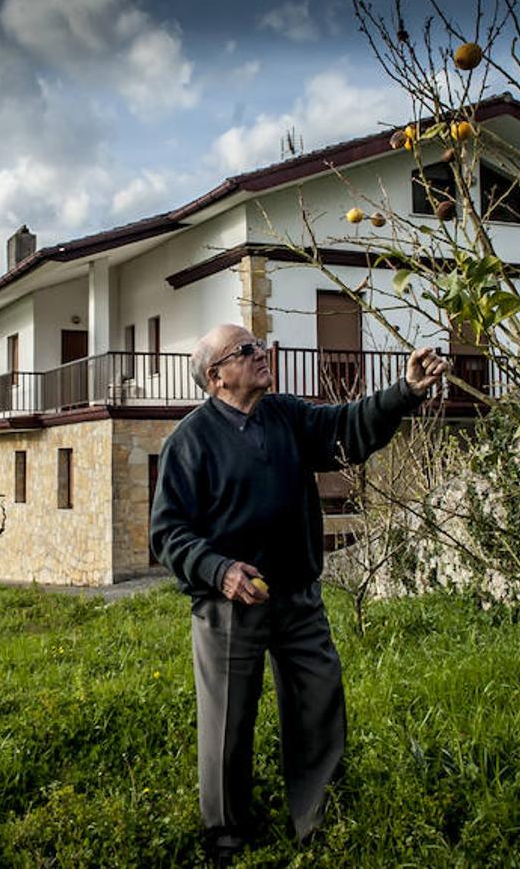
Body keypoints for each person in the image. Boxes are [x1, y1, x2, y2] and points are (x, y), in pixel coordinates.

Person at [150, 323, 447, 859]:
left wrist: (404, 392)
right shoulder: (188, 443)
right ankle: (227, 834)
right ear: (217, 377)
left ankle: (317, 819)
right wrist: (219, 571)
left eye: (259, 345)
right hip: (228, 604)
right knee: (227, 722)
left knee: (317, 701)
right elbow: (167, 534)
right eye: (248, 351)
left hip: (298, 595)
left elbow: (346, 428)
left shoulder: (285, 415)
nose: (262, 354)